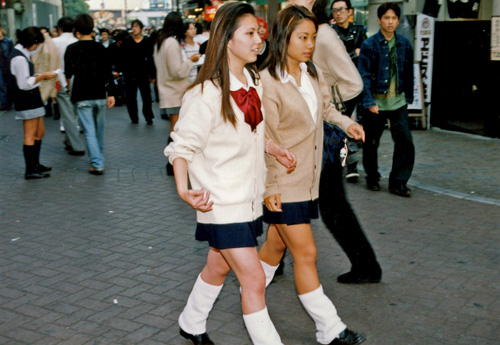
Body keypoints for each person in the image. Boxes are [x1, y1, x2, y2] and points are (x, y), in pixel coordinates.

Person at [164, 3, 297, 344]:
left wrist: (273, 148)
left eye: (258, 33)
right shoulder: (204, 94)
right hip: (221, 204)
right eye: (250, 33)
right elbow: (181, 148)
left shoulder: (251, 80)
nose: (258, 41)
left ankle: (191, 323)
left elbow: (249, 131)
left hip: (248, 202)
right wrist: (183, 189)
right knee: (252, 280)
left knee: (218, 266)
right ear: (227, 39)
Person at [258, 5, 366, 345]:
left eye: (313, 37)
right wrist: (271, 185)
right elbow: (264, 138)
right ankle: (329, 328)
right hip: (283, 182)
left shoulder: (312, 72)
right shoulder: (267, 81)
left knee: (275, 245)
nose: (309, 44)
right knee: (306, 253)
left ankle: (237, 298)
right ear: (283, 38)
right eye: (302, 37)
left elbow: (327, 107)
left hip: (309, 178)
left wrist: (347, 123)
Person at [312, 0, 382, 284]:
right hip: (315, 130)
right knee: (317, 201)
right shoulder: (308, 31)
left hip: (326, 130)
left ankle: (367, 265)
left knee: (331, 203)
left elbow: (354, 83)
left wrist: (333, 112)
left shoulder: (323, 35)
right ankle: (273, 262)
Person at [358, 2, 415, 197]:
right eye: (386, 18)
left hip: (397, 102)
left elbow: (408, 72)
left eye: (394, 18)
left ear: (398, 21)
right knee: (371, 143)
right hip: (375, 102)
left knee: (405, 141)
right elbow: (363, 76)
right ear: (379, 20)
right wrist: (369, 102)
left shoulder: (404, 44)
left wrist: (408, 96)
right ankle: (372, 177)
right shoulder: (369, 44)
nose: (390, 22)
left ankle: (398, 182)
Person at [65, 14, 115, 175]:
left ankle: (97, 162)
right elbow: (108, 74)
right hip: (100, 94)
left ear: (77, 30)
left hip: (81, 95)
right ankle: (97, 158)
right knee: (99, 130)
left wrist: (68, 89)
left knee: (89, 131)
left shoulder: (72, 49)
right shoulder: (101, 48)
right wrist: (111, 94)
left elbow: (68, 73)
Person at [154, 12, 200, 176]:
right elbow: (177, 71)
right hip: (175, 92)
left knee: (175, 129)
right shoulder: (172, 43)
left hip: (168, 91)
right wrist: (191, 61)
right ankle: (173, 164)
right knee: (177, 130)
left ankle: (173, 164)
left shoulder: (160, 42)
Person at [8, 27, 56, 179]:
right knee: (30, 134)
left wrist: (39, 76)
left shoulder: (23, 53)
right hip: (26, 99)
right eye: (37, 44)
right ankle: (30, 169)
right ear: (31, 42)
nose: (37, 48)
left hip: (31, 98)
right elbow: (23, 83)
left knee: (40, 132)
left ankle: (35, 164)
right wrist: (42, 76)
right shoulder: (19, 58)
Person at [330, 0, 367, 182]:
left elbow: (365, 55)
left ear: (349, 11)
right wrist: (354, 54)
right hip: (336, 88)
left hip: (356, 87)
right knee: (342, 124)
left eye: (341, 9)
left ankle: (349, 163)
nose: (338, 13)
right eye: (335, 10)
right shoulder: (329, 33)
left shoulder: (359, 30)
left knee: (353, 124)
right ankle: (350, 163)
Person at [52, 16, 86, 156]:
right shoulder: (77, 42)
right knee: (73, 112)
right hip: (76, 80)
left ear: (59, 28)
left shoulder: (54, 42)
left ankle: (75, 143)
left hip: (59, 82)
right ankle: (69, 140)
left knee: (66, 112)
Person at [119, 20, 156, 125]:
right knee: (130, 97)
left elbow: (151, 59)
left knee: (146, 97)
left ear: (141, 28)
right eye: (133, 27)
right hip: (129, 74)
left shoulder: (147, 42)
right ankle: (134, 117)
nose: (134, 29)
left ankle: (148, 116)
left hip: (143, 73)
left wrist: (152, 74)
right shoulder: (127, 41)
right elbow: (122, 58)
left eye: (136, 27)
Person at [0, 26, 14, 110]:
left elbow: (12, 53)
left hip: (8, 65)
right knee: (1, 84)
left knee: (9, 84)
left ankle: (10, 101)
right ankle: (4, 103)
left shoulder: (8, 41)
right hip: (0, 66)